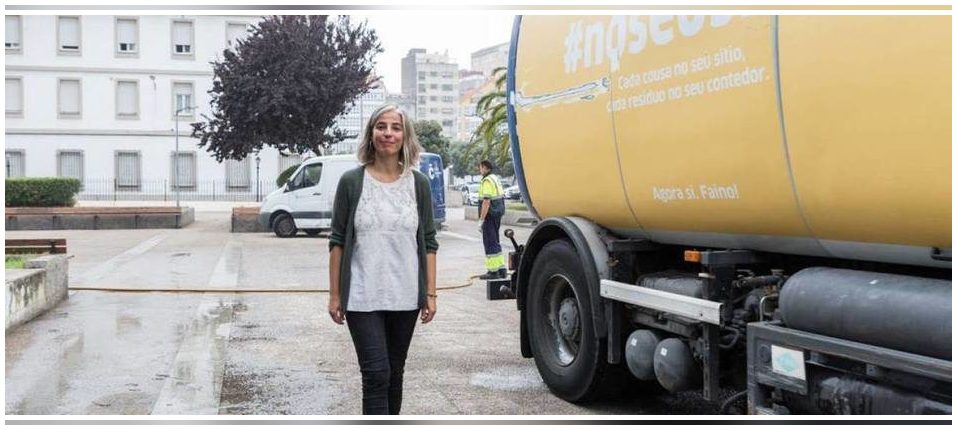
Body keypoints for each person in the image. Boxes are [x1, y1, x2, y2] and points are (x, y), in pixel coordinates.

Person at [327, 104, 438, 415]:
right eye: (381, 126)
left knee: (394, 374)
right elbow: (337, 242)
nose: (388, 133)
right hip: (362, 297)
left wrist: (430, 293)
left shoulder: (419, 184)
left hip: (406, 297)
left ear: (405, 136)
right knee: (376, 375)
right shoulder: (352, 182)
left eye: (396, 127)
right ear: (371, 133)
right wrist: (335, 295)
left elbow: (429, 243)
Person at [477, 159, 507, 280]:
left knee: (490, 242)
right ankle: (501, 269)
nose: (480, 170)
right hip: (497, 214)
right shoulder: (495, 178)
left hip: (489, 216)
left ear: (484, 168)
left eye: (480, 167)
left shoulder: (487, 181)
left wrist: (481, 220)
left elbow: (486, 201)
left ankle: (493, 271)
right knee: (495, 241)